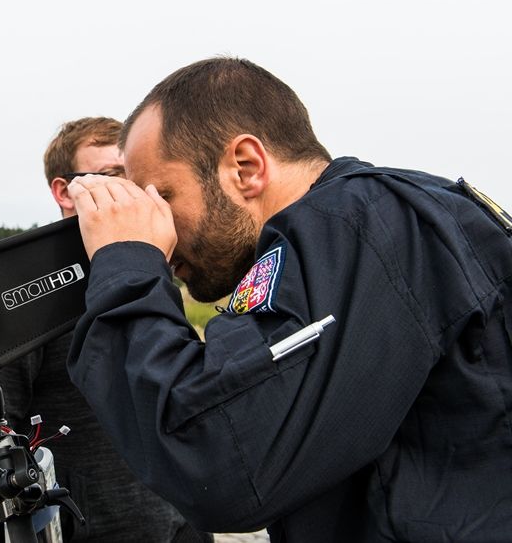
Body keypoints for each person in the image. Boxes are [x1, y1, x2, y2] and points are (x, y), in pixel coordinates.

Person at [64, 57, 512, 542]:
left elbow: (220, 458)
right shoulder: (382, 218)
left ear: (246, 168)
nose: (159, 229)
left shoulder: (356, 224)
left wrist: (126, 262)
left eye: (162, 197)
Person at [0, 117, 209, 542]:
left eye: (132, 177)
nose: (127, 190)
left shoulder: (148, 270)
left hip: (174, 526)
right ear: (64, 191)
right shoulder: (19, 295)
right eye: (111, 174)